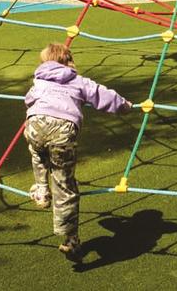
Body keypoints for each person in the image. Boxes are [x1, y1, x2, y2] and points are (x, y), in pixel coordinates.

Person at [25, 42, 133, 261]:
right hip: (63, 131)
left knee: (37, 152)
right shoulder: (79, 81)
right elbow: (104, 97)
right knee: (65, 185)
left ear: (44, 62)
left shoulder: (38, 81)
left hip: (35, 123)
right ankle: (70, 240)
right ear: (69, 61)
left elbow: (28, 100)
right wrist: (125, 106)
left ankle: (41, 190)